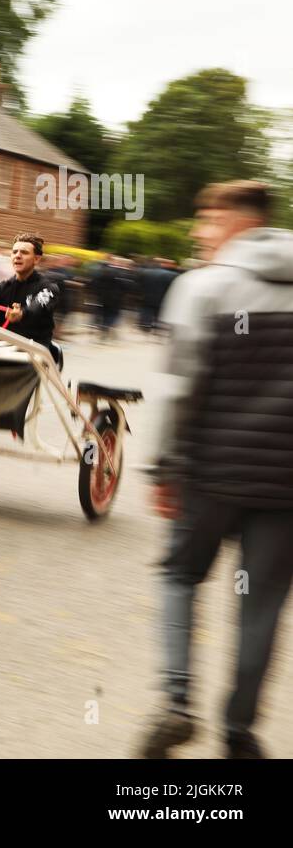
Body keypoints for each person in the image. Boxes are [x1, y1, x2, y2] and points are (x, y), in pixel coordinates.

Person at [139, 180, 293, 760]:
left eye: (206, 220)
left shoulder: (201, 287)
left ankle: (176, 703)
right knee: (262, 604)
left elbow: (178, 389)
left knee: (179, 577)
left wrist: (163, 468)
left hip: (209, 474)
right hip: (285, 488)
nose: (198, 233)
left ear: (235, 222)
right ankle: (239, 732)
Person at [0, 233, 63, 368]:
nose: (17, 255)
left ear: (36, 259)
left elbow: (37, 307)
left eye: (24, 252)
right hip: (3, 347)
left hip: (33, 349)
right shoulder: (4, 286)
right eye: (14, 252)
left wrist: (22, 314)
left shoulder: (48, 287)